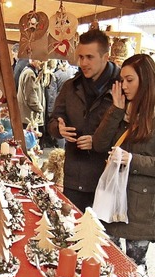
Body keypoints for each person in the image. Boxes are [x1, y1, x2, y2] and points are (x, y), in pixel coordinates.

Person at [92, 54, 155, 270]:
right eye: (122, 80)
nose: (123, 85)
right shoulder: (123, 107)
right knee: (108, 263)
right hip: (112, 199)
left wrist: (132, 160)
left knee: (134, 268)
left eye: (129, 80)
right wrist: (115, 110)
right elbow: (99, 144)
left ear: (146, 79)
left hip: (141, 205)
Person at [47, 29, 121, 212]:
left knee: (101, 236)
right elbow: (53, 120)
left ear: (106, 56)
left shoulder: (122, 87)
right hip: (74, 176)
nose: (83, 63)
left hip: (107, 179)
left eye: (90, 57)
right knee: (73, 230)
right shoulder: (70, 87)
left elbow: (129, 133)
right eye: (80, 57)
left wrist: (97, 142)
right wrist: (58, 128)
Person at [17, 59, 44, 130]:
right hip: (30, 118)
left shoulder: (29, 71)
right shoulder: (30, 73)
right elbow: (31, 97)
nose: (42, 63)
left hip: (28, 117)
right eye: (40, 60)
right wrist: (40, 109)